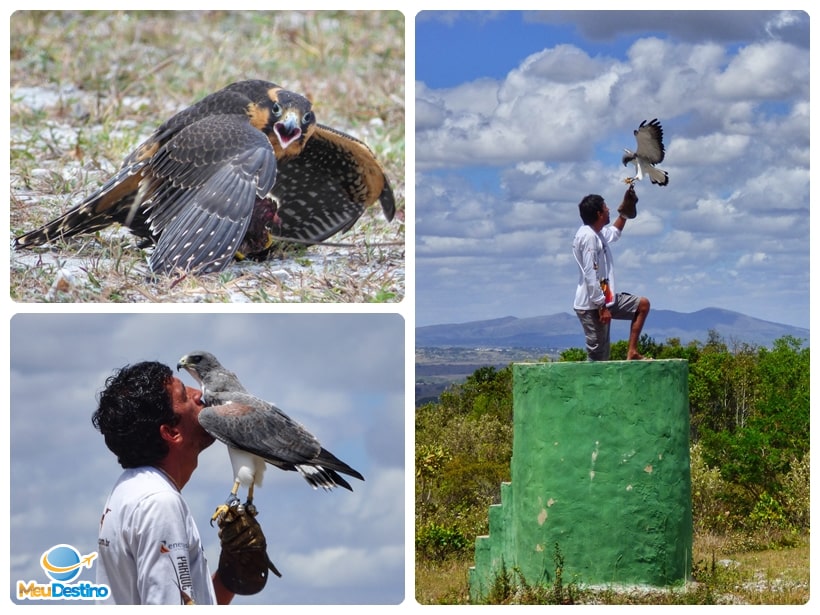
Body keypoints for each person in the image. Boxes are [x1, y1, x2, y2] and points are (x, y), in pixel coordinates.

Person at [91, 361, 277, 604]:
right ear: (171, 433)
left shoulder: (128, 489)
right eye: (185, 396)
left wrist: (229, 576)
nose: (200, 395)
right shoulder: (159, 503)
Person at [572, 185, 650, 361]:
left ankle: (632, 352)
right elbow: (590, 274)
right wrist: (601, 306)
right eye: (606, 208)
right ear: (599, 214)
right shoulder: (588, 237)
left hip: (605, 299)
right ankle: (591, 387)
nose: (609, 210)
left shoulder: (595, 233)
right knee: (599, 357)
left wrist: (625, 213)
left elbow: (614, 233)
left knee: (642, 305)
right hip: (592, 305)